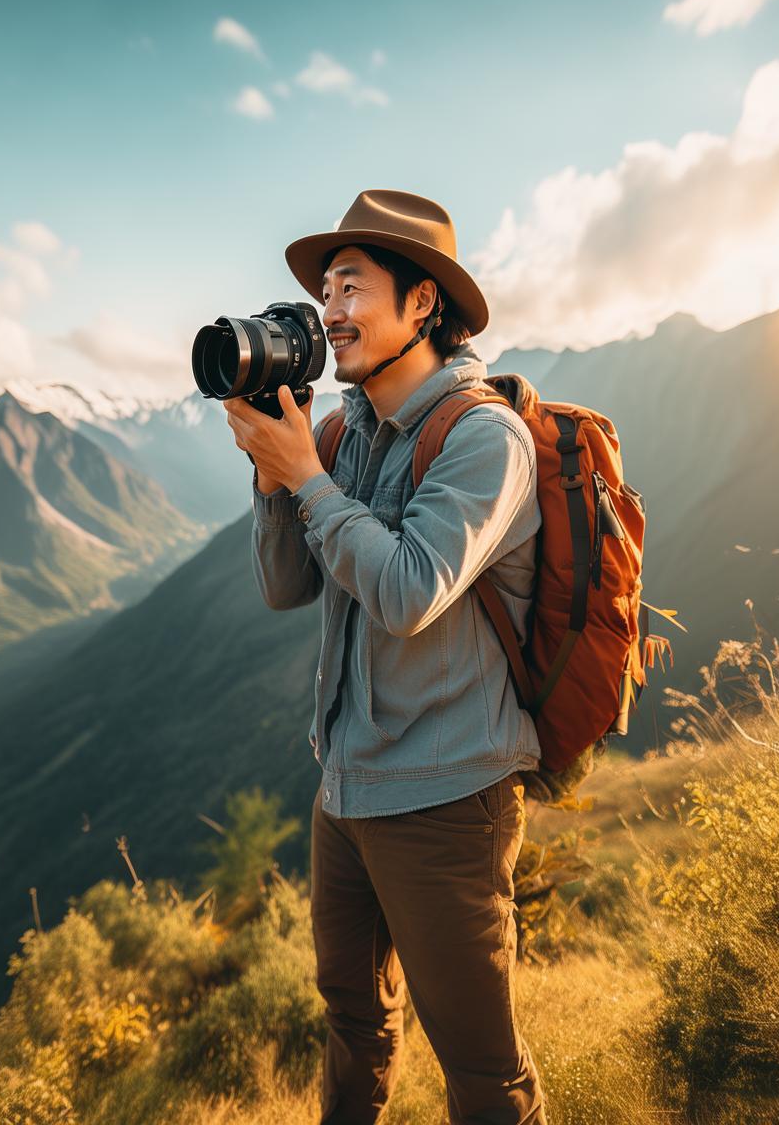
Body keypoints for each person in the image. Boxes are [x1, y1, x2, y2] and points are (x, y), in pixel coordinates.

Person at [223, 189, 547, 1125]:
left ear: (423, 306)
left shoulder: (485, 439)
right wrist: (272, 475)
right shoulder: (348, 435)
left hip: (447, 799)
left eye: (352, 286)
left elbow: (408, 592)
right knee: (354, 1020)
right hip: (348, 786)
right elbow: (288, 588)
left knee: (481, 1065)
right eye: (326, 289)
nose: (329, 310)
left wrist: (310, 480)